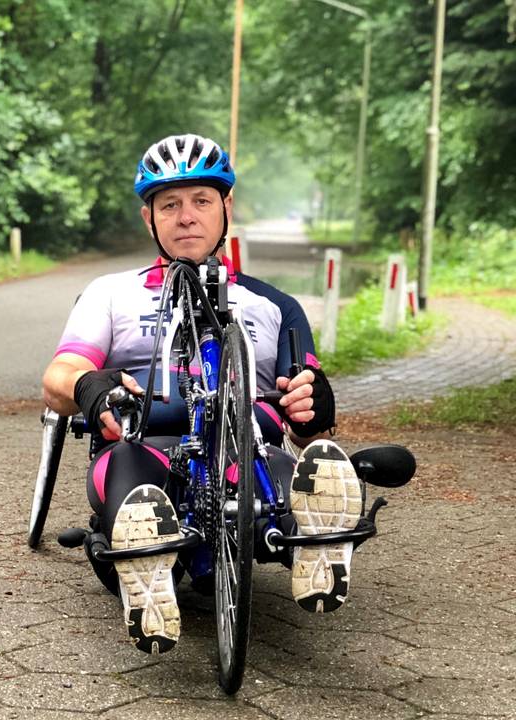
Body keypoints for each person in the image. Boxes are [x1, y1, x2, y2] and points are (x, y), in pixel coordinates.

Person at [40, 133, 362, 654]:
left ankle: (315, 540)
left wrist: (315, 406)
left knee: (285, 468)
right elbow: (59, 376)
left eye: (201, 201)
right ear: (150, 218)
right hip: (150, 441)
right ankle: (145, 560)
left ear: (225, 208)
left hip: (250, 445)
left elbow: (306, 413)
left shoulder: (275, 305)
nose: (186, 216)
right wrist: (89, 386)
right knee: (133, 470)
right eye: (170, 204)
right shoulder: (111, 293)